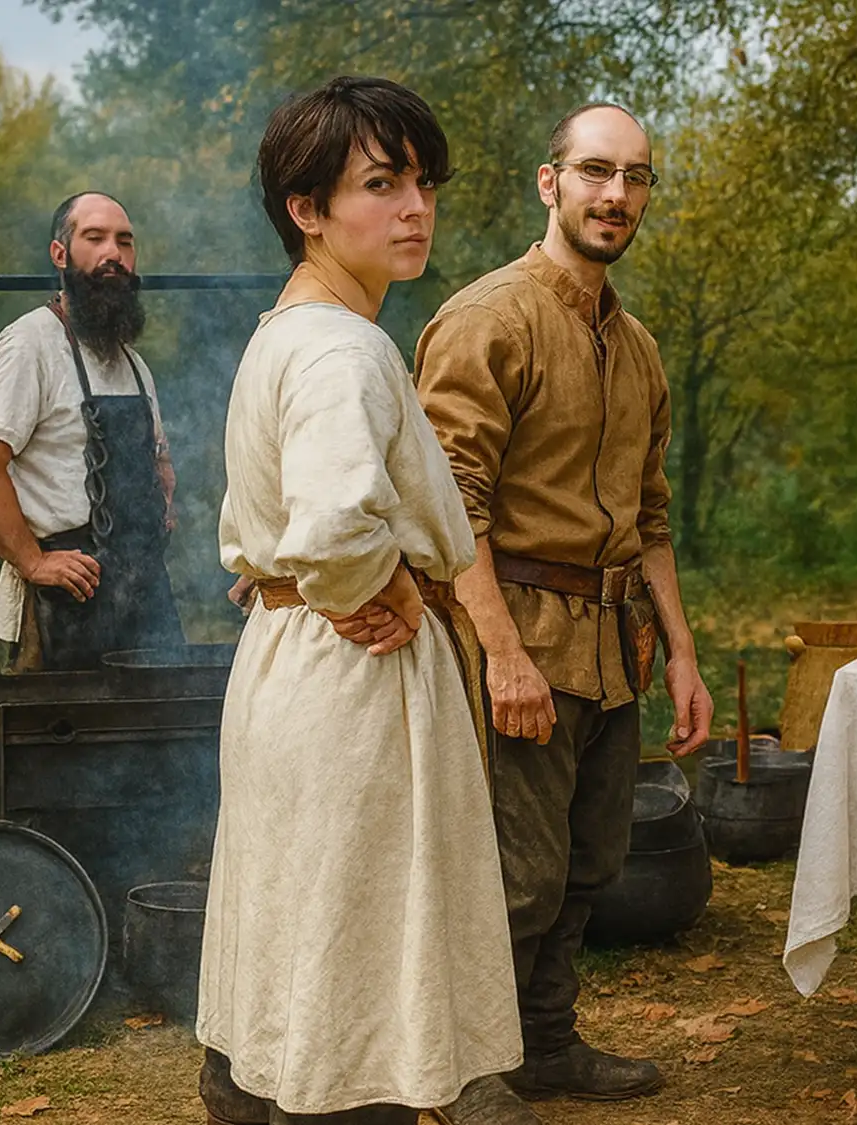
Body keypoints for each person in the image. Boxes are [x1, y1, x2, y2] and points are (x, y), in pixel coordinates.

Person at [197, 76, 536, 1125]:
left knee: (300, 910)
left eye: (422, 183)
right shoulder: (342, 349)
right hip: (349, 672)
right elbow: (338, 527)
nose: (415, 208)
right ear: (307, 210)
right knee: (348, 927)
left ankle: (254, 1089)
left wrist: (354, 574)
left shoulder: (286, 334)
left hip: (290, 662)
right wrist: (387, 580)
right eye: (381, 185)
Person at [414, 102, 713, 1102]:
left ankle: (545, 1046)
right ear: (550, 183)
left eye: (634, 177)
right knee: (514, 876)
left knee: (590, 864)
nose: (615, 195)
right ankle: (469, 1071)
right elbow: (448, 510)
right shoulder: (485, 319)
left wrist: (681, 654)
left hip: (611, 647)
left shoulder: (639, 348)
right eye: (594, 171)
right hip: (515, 633)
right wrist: (501, 654)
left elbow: (650, 518)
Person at [0, 192, 183, 671]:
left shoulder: (134, 365)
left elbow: (158, 458)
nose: (112, 254)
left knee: (161, 740)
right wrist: (34, 562)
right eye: (94, 238)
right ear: (60, 255)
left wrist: (161, 489)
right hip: (65, 596)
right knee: (62, 742)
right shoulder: (27, 345)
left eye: (124, 242)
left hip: (144, 598)